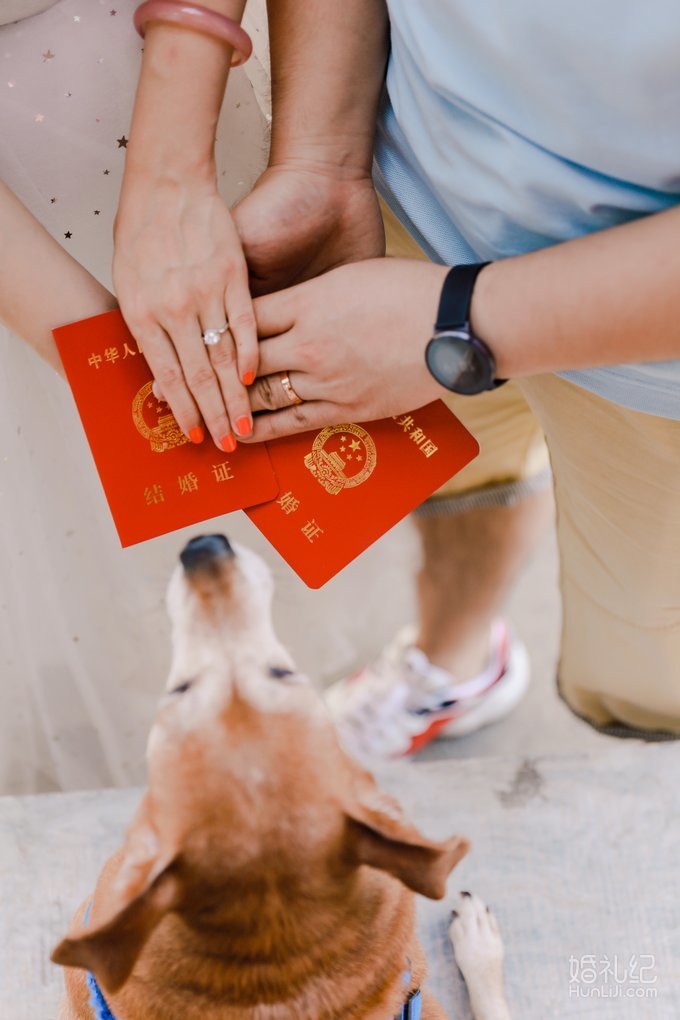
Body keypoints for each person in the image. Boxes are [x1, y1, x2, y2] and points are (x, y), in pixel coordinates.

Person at [230, 0, 680, 759]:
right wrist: (323, 159)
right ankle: (455, 661)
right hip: (408, 190)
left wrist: (455, 324)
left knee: (646, 652)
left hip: (653, 369)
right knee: (455, 470)